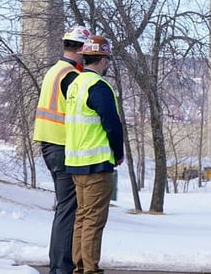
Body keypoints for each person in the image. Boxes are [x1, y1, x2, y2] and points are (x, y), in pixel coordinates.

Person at [33, 25, 91, 274]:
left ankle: (60, 265)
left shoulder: (54, 71)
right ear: (79, 49)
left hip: (50, 144)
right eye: (86, 50)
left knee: (65, 208)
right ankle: (61, 267)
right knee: (68, 210)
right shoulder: (70, 76)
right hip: (62, 146)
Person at [64, 35, 124, 274]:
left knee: (81, 218)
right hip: (96, 165)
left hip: (76, 163)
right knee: (93, 221)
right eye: (106, 59)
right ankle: (89, 269)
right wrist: (118, 153)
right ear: (102, 59)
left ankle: (79, 267)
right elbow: (112, 123)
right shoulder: (98, 86)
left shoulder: (74, 85)